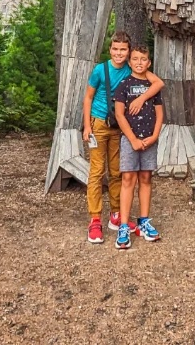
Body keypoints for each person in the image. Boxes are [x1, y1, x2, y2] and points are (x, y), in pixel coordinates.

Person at [82, 32, 163, 244]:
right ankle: (95, 219)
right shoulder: (101, 70)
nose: (119, 53)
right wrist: (86, 126)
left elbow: (157, 84)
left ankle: (117, 215)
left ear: (128, 53)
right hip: (99, 123)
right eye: (115, 49)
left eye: (123, 50)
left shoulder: (132, 68)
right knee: (97, 171)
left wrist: (142, 98)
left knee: (118, 171)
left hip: (120, 128)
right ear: (110, 50)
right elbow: (88, 97)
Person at [112, 43, 164, 249]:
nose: (139, 63)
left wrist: (154, 136)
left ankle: (144, 221)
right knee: (128, 179)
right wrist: (132, 139)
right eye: (135, 59)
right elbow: (119, 114)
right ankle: (124, 226)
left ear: (149, 62)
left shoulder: (153, 88)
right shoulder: (124, 85)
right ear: (129, 61)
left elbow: (160, 114)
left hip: (149, 139)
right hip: (130, 140)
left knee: (145, 178)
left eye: (143, 59)